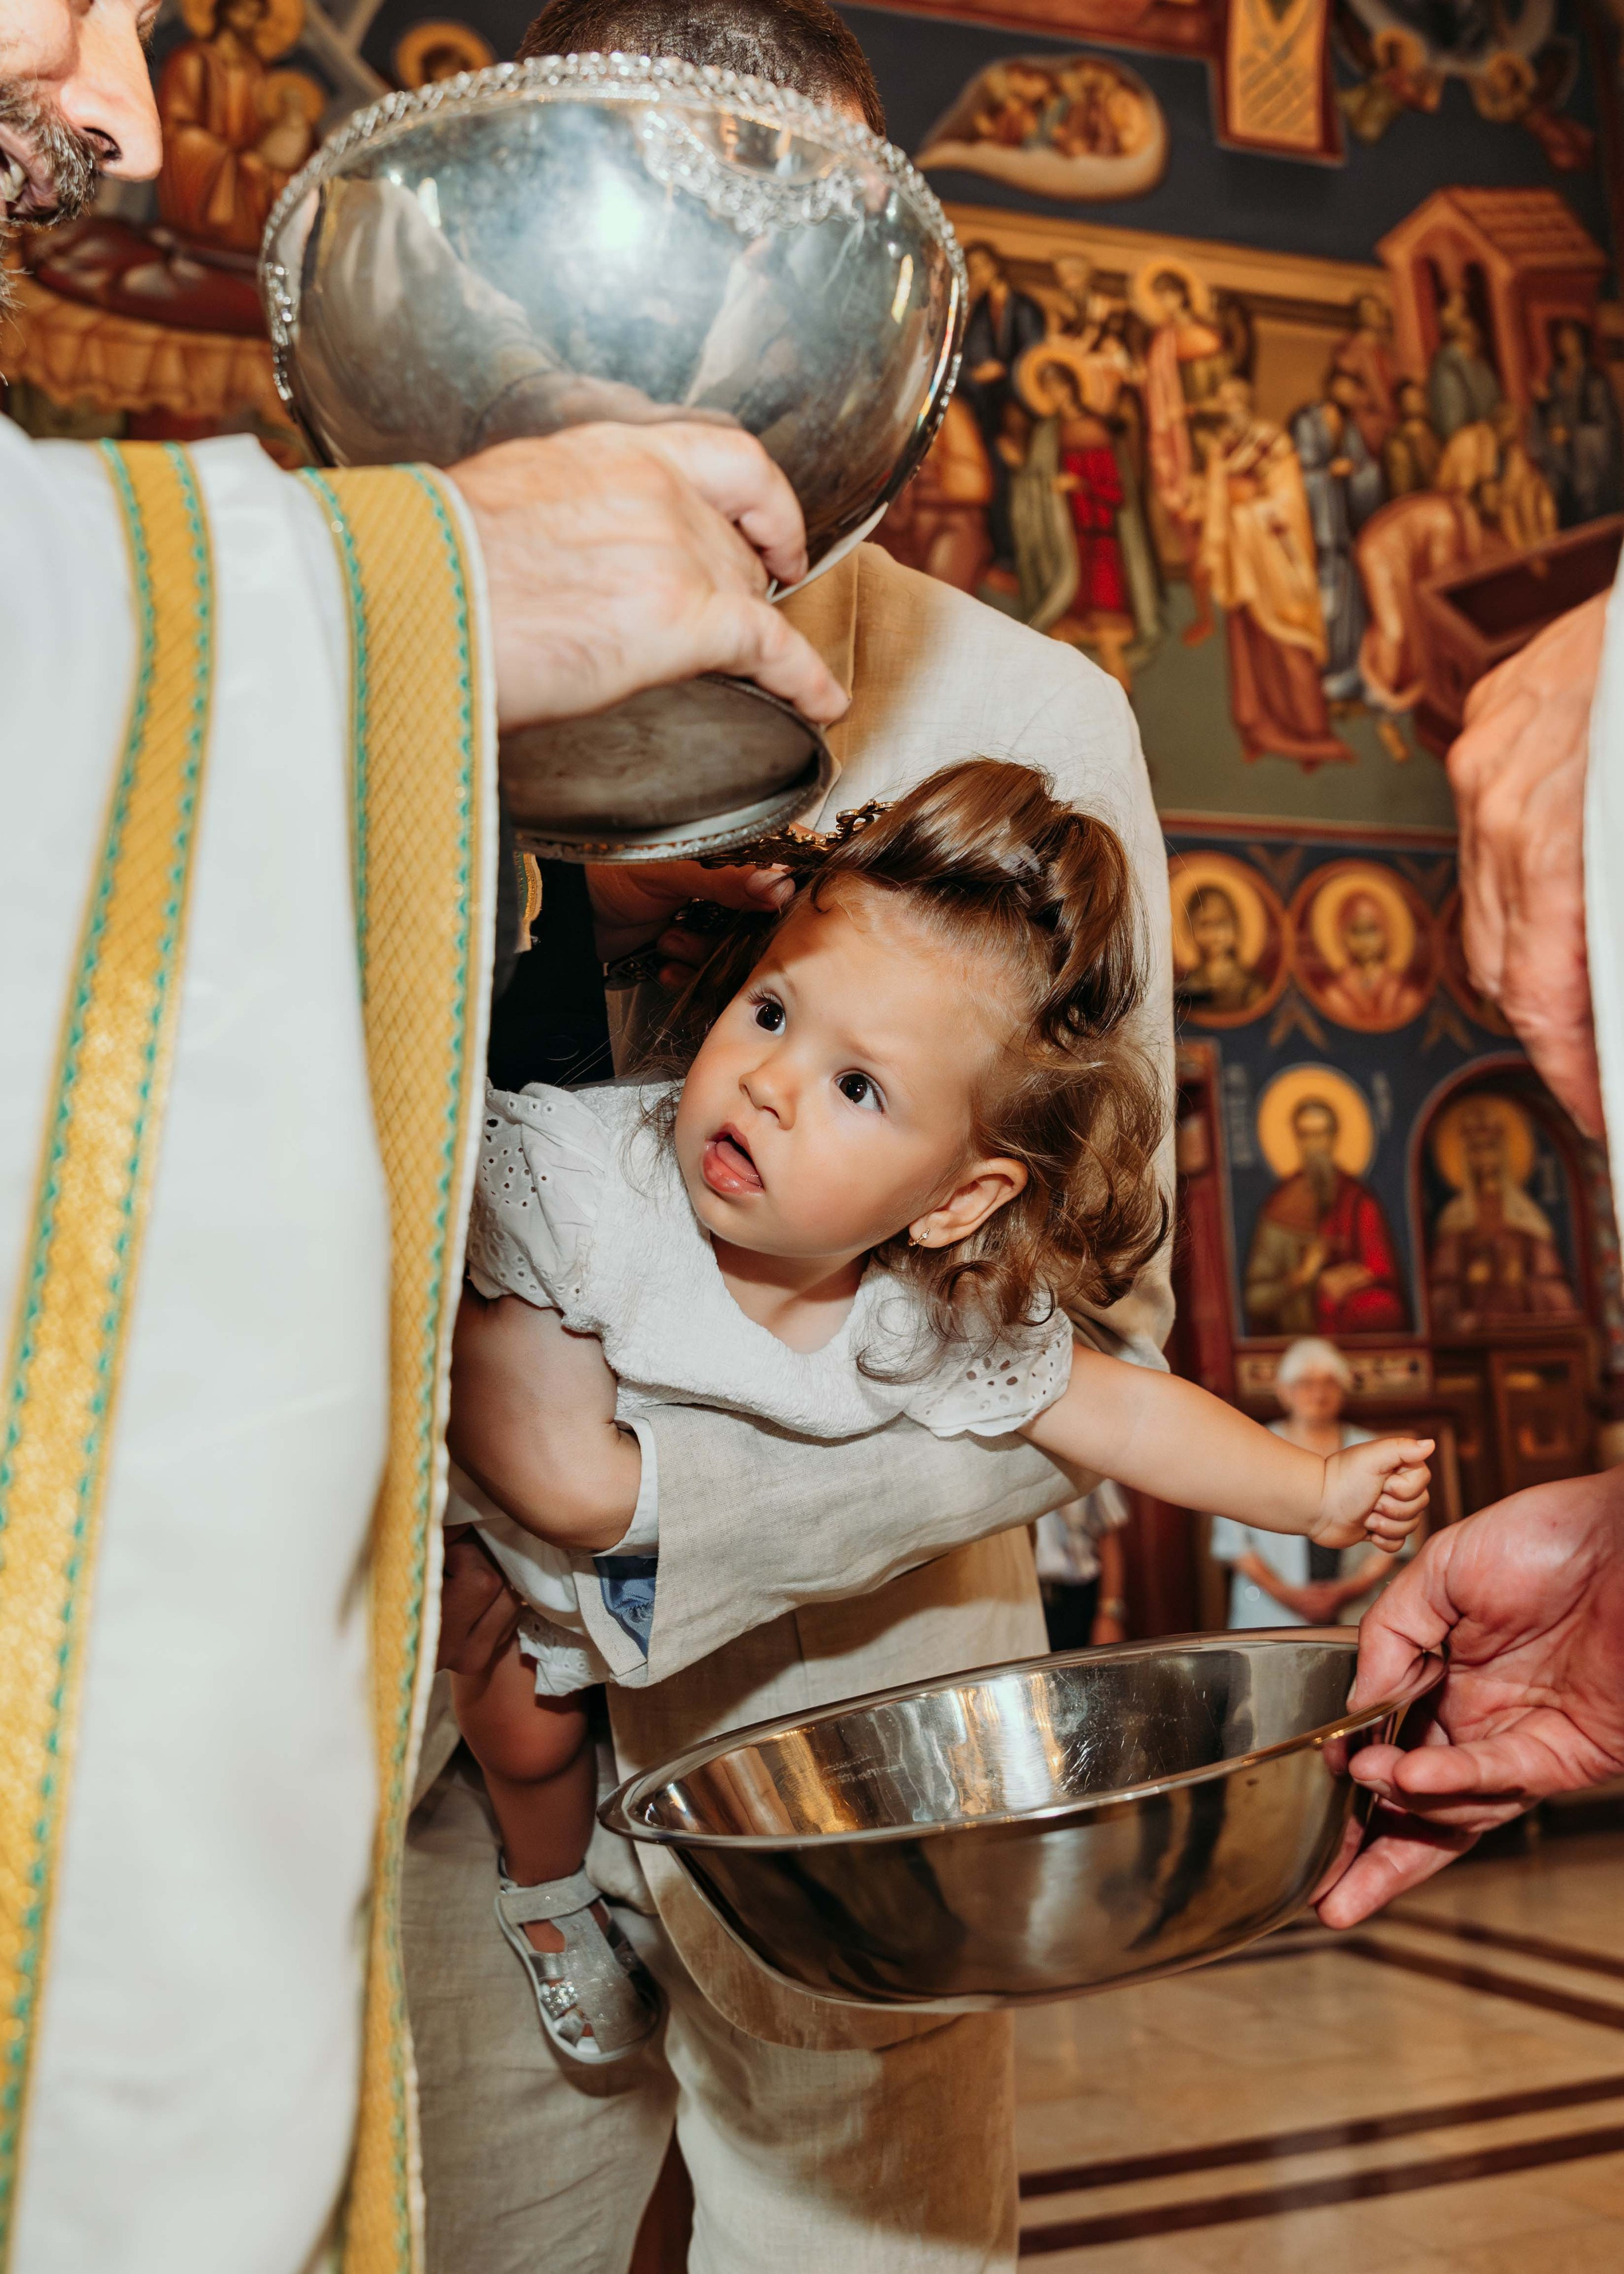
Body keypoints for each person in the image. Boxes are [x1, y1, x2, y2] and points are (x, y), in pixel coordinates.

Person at [0, 1, 853, 2264]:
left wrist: (631, 1502)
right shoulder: (391, 557)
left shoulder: (974, 693)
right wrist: (413, 595)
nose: (121, 121)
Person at [447, 766, 1428, 2065]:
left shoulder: (918, 1311)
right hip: (511, 1572)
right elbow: (536, 1463)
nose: (769, 1082)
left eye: (858, 1087)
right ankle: (549, 1896)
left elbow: (1125, 1415)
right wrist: (562, 1501)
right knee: (529, 1735)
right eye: (770, 1011)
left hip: (697, 1628)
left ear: (957, 1200)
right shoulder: (583, 1182)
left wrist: (1312, 1490)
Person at [1197, 376, 1354, 768]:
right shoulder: (1222, 450)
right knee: (1250, 648)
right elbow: (1214, 500)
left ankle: (1310, 732)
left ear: (1247, 403)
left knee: (1290, 642)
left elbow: (1289, 503)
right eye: (1223, 402)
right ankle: (1260, 728)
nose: (1228, 409)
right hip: (1242, 559)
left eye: (1234, 401)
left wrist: (1246, 513)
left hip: (1274, 558)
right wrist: (1220, 530)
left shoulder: (1273, 443)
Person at [1211, 1338, 1402, 1627]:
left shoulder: (1372, 1449)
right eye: (1305, 1383)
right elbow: (1234, 1542)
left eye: (1330, 1382)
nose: (1318, 1393)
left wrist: (1344, 1592)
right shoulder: (1253, 1446)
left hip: (1358, 1613)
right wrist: (1288, 1595)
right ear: (1283, 1391)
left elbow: (1395, 1537)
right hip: (1269, 1615)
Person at [1244, 1096, 1409, 1336]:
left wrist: (1347, 1279)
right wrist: (1304, 1278)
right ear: (1297, 1139)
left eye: (1322, 1134)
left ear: (1334, 1138)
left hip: (1351, 1305)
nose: (1315, 1145)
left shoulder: (1358, 1199)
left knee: (1382, 1307)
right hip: (1298, 1325)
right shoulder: (1279, 1207)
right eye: (1306, 1135)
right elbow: (1256, 1298)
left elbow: (1380, 1266)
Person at [1291, 365, 1386, 705]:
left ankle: (1348, 670)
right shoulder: (1307, 421)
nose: (1351, 395)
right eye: (1346, 386)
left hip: (1343, 532)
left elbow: (1365, 472)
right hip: (1317, 529)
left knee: (1349, 602)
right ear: (1332, 385)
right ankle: (1325, 671)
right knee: (1325, 602)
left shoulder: (1350, 429)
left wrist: (1363, 474)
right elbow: (1295, 474)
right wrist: (1328, 474)